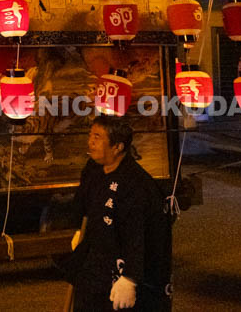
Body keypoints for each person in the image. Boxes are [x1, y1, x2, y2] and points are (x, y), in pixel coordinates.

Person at [59, 116, 172, 311]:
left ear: (117, 147)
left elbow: (139, 234)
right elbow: (81, 205)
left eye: (97, 137)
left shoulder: (137, 185)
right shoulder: (92, 169)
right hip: (94, 259)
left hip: (121, 262)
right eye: (90, 135)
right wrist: (79, 230)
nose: (90, 141)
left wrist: (130, 278)